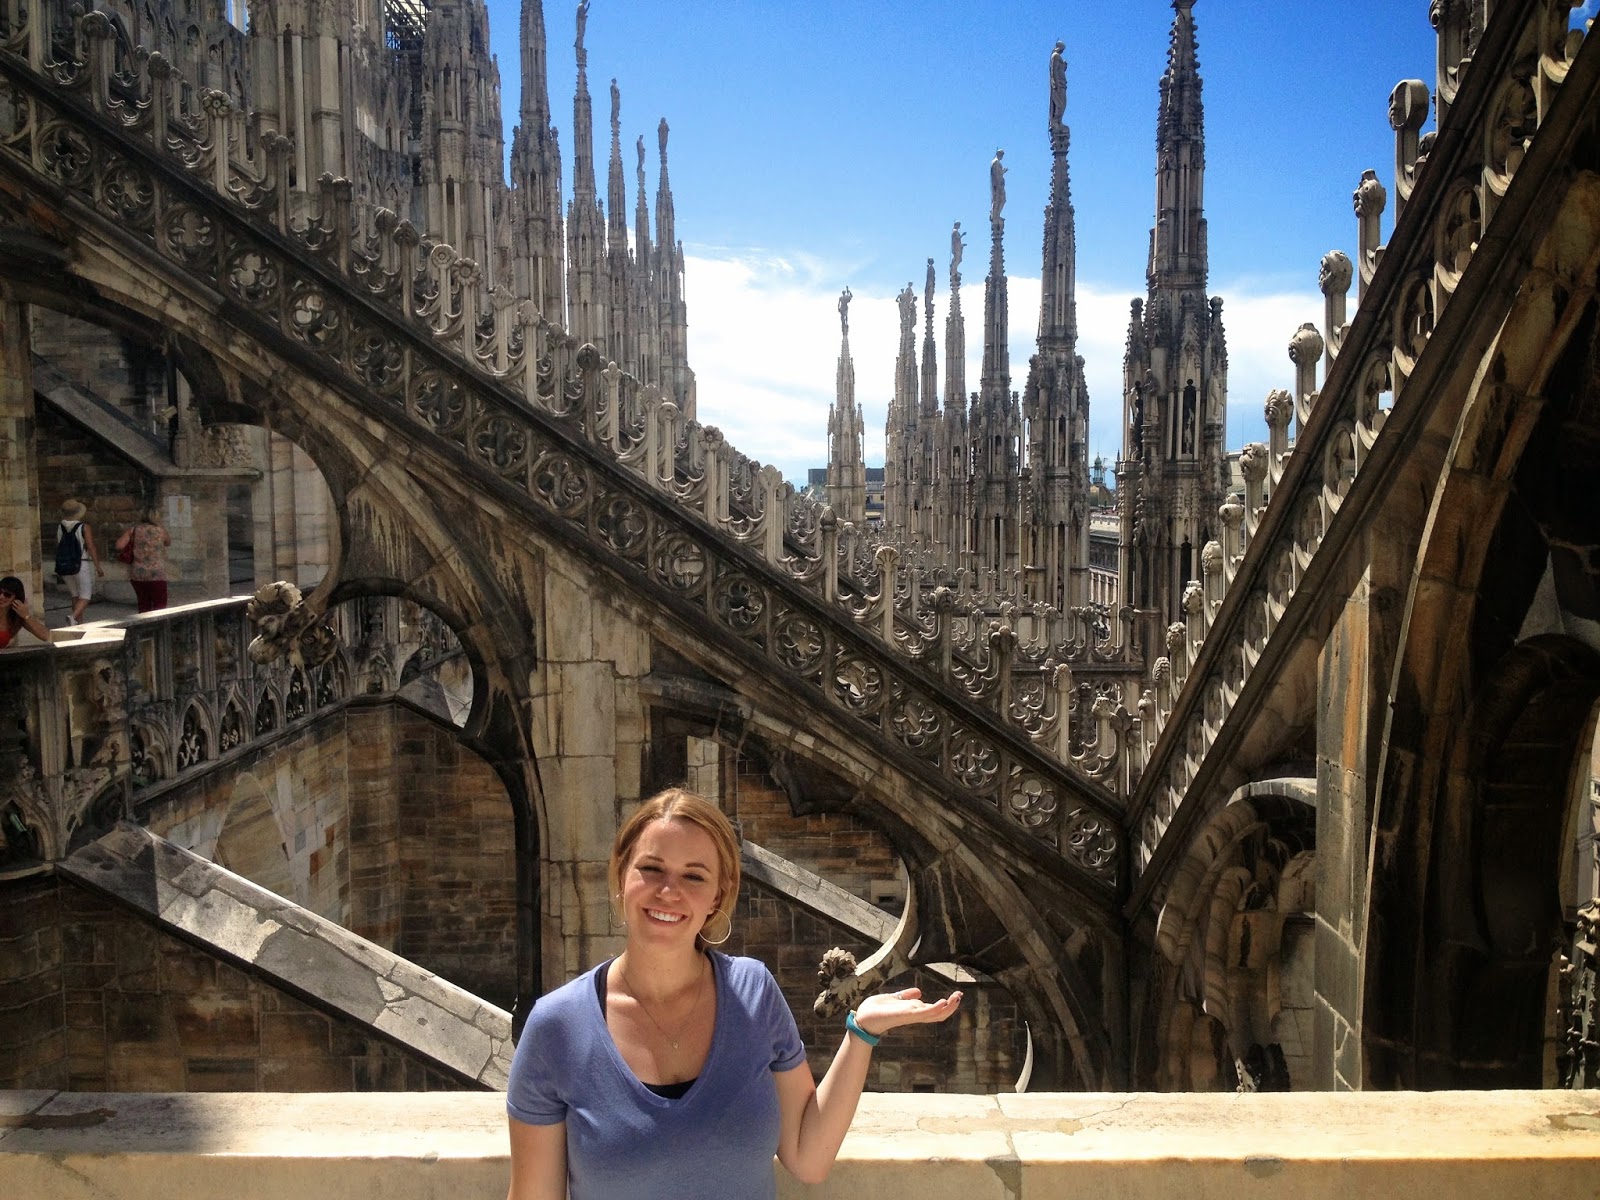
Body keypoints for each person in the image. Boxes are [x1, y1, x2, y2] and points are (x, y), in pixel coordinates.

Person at [505, 788, 961, 1200]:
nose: (668, 891)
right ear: (622, 874)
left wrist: (861, 1033)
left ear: (717, 896)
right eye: (651, 869)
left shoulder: (753, 993)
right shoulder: (557, 1027)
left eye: (694, 877)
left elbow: (807, 1156)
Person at [116, 507, 172, 613]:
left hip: (138, 573)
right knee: (160, 605)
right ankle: (159, 623)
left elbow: (119, 545)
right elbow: (168, 542)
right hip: (156, 573)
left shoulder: (133, 530)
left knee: (143, 604)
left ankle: (144, 623)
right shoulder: (161, 531)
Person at [56, 499, 102, 625]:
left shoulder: (60, 527)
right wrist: (97, 566)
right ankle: (73, 617)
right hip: (81, 563)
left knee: (75, 595)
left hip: (65, 565)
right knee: (86, 596)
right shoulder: (83, 527)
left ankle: (78, 623)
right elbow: (91, 547)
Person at [0, 576, 51, 647]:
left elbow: (46, 636)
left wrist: (26, 615)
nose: (1, 597)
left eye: (7, 595)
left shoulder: (16, 618)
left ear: (16, 598)